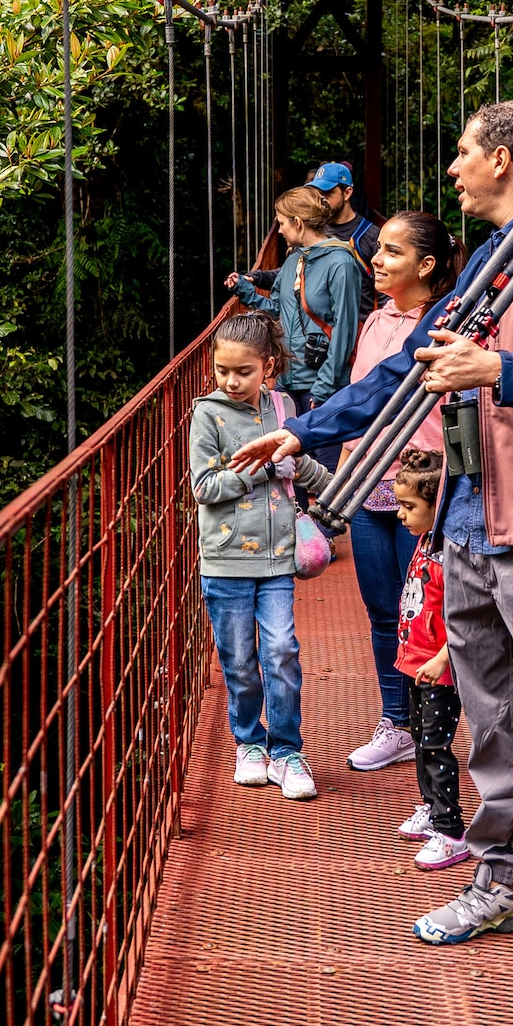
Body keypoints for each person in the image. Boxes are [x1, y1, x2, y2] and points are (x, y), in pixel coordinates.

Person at [231, 101, 513, 989]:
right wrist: (307, 435)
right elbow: (403, 369)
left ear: (500, 159)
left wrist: (502, 370)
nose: (451, 170)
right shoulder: (495, 258)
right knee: (489, 720)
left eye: (461, 154)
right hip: (468, 520)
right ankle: (502, 883)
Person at [340, 213, 465, 773]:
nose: (378, 260)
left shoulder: (455, 321)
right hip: (370, 484)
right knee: (382, 610)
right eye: (379, 250)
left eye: (392, 252)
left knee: (430, 616)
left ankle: (433, 727)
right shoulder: (373, 322)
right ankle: (398, 722)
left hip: (428, 486)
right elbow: (358, 395)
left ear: (427, 265)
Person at [189, 312, 332, 800]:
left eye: (243, 371)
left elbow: (299, 461)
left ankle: (288, 749)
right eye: (222, 370)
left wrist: (336, 493)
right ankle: (249, 743)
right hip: (225, 559)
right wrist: (262, 467)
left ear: (267, 367)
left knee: (280, 651)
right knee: (240, 660)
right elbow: (205, 488)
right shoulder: (206, 414)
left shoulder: (282, 404)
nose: (230, 381)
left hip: (276, 556)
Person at [227, 186, 364, 441]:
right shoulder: (293, 261)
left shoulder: (341, 263)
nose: (278, 231)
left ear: (298, 223)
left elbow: (345, 331)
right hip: (288, 384)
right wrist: (245, 290)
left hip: (321, 387)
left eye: (281, 224)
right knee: (295, 466)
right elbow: (277, 312)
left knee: (326, 467)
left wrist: (324, 386)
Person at [391, 448, 469, 871]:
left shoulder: (450, 553)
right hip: (416, 663)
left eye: (409, 506)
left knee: (436, 747)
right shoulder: (425, 540)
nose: (400, 515)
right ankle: (431, 807)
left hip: (438, 669)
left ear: (436, 506)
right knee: (421, 741)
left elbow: (463, 613)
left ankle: (451, 829)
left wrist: (442, 659)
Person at [309, 161, 380, 315]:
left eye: (327, 193)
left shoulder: (371, 235)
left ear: (347, 193)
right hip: (319, 333)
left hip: (358, 331)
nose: (320, 199)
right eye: (317, 193)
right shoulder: (311, 231)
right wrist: (255, 278)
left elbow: (387, 292)